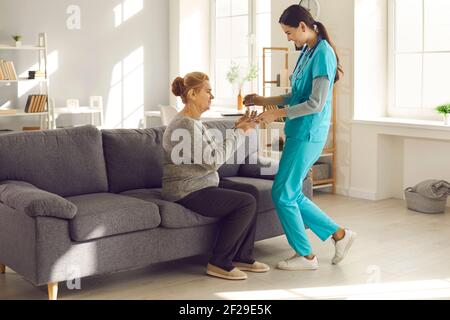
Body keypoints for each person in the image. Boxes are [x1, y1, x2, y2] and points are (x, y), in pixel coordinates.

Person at [244, 5, 356, 271]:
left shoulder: (324, 54)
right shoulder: (307, 51)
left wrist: (276, 114)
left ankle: (306, 256)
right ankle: (339, 234)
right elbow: (296, 96)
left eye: (289, 32)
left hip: (309, 133)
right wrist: (264, 100)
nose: (288, 38)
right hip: (298, 131)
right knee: (291, 192)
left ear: (304, 27)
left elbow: (316, 103)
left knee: (282, 193)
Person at [162, 72, 270, 280]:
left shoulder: (194, 122)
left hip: (202, 184)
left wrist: (237, 127)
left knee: (251, 192)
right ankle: (219, 262)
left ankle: (242, 256)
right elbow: (214, 160)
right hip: (186, 191)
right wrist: (240, 133)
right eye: (208, 92)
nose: (212, 96)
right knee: (245, 202)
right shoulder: (185, 124)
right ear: (193, 94)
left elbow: (211, 155)